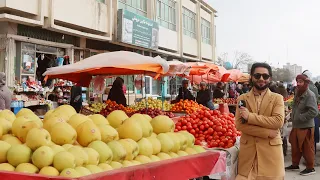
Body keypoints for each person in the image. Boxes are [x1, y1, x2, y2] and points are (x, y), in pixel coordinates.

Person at [235, 62, 285, 180]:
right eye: (257, 76)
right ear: (251, 77)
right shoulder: (242, 99)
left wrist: (250, 117)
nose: (261, 79)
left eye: (265, 76)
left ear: (270, 78)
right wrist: (267, 132)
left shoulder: (277, 98)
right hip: (248, 157)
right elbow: (240, 125)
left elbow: (278, 121)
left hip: (271, 155)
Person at [285, 74, 318, 175]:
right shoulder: (298, 92)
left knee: (307, 148)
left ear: (306, 83)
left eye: (301, 82)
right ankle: (295, 164)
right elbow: (295, 107)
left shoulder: (310, 95)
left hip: (306, 127)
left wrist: (300, 117)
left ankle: (310, 167)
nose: (298, 84)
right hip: (296, 125)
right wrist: (290, 116)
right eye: (297, 81)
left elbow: (314, 112)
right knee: (294, 145)